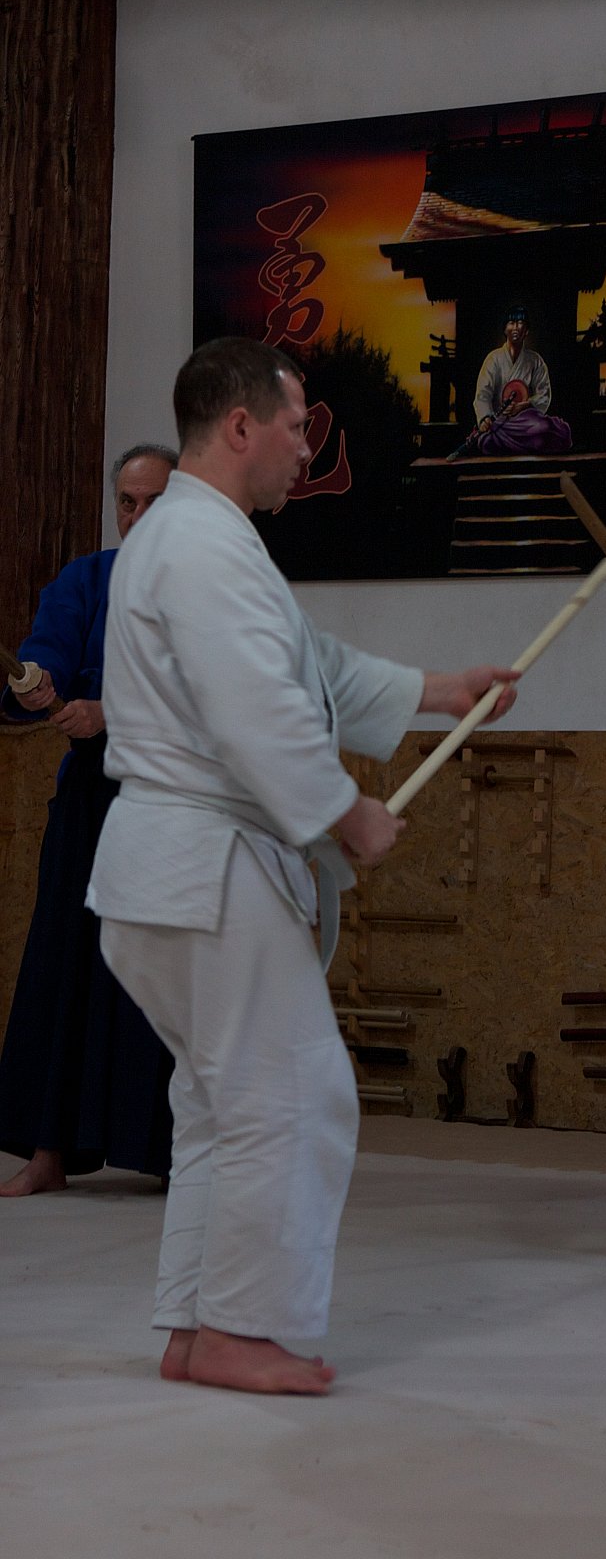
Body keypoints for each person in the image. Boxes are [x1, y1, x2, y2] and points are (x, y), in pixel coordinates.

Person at [86, 336, 519, 1396]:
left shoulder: (200, 538)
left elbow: (306, 666)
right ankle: (238, 1329)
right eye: (294, 426)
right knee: (292, 1093)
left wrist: (439, 690)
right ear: (240, 425)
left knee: (224, 1103)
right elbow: (250, 703)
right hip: (202, 864)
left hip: (173, 867)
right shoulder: (199, 542)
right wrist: (339, 811)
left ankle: (197, 1325)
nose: (304, 447)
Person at [0, 445, 178, 1197]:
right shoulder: (86, 580)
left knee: (169, 974)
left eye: (153, 502)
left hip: (177, 802)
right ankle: (47, 1151)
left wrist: (112, 712)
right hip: (91, 798)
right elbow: (47, 651)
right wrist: (38, 683)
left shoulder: (211, 587)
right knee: (64, 959)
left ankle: (175, 1155)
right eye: (126, 503)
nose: (137, 516)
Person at [471, 305, 572, 455]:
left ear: (527, 331)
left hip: (525, 420)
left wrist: (524, 405)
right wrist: (485, 418)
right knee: (487, 440)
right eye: (511, 323)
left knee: (543, 427)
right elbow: (482, 395)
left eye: (520, 323)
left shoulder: (535, 360)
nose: (516, 327)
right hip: (499, 420)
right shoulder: (493, 359)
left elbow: (544, 394)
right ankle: (530, 443)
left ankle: (518, 443)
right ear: (505, 329)